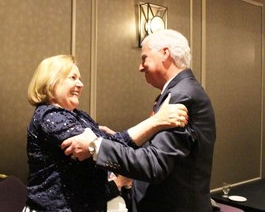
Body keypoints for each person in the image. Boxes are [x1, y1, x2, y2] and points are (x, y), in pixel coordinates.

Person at [62, 29, 216, 212]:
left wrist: (96, 146)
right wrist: (120, 140)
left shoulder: (182, 95)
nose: (140, 67)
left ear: (165, 53)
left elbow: (155, 164)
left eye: (144, 58)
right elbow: (164, 149)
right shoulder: (179, 90)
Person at [23, 54, 188, 212]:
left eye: (80, 78)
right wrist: (156, 121)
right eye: (73, 78)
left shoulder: (79, 115)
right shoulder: (49, 116)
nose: (81, 84)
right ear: (51, 82)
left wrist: (106, 140)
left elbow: (106, 145)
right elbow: (101, 147)